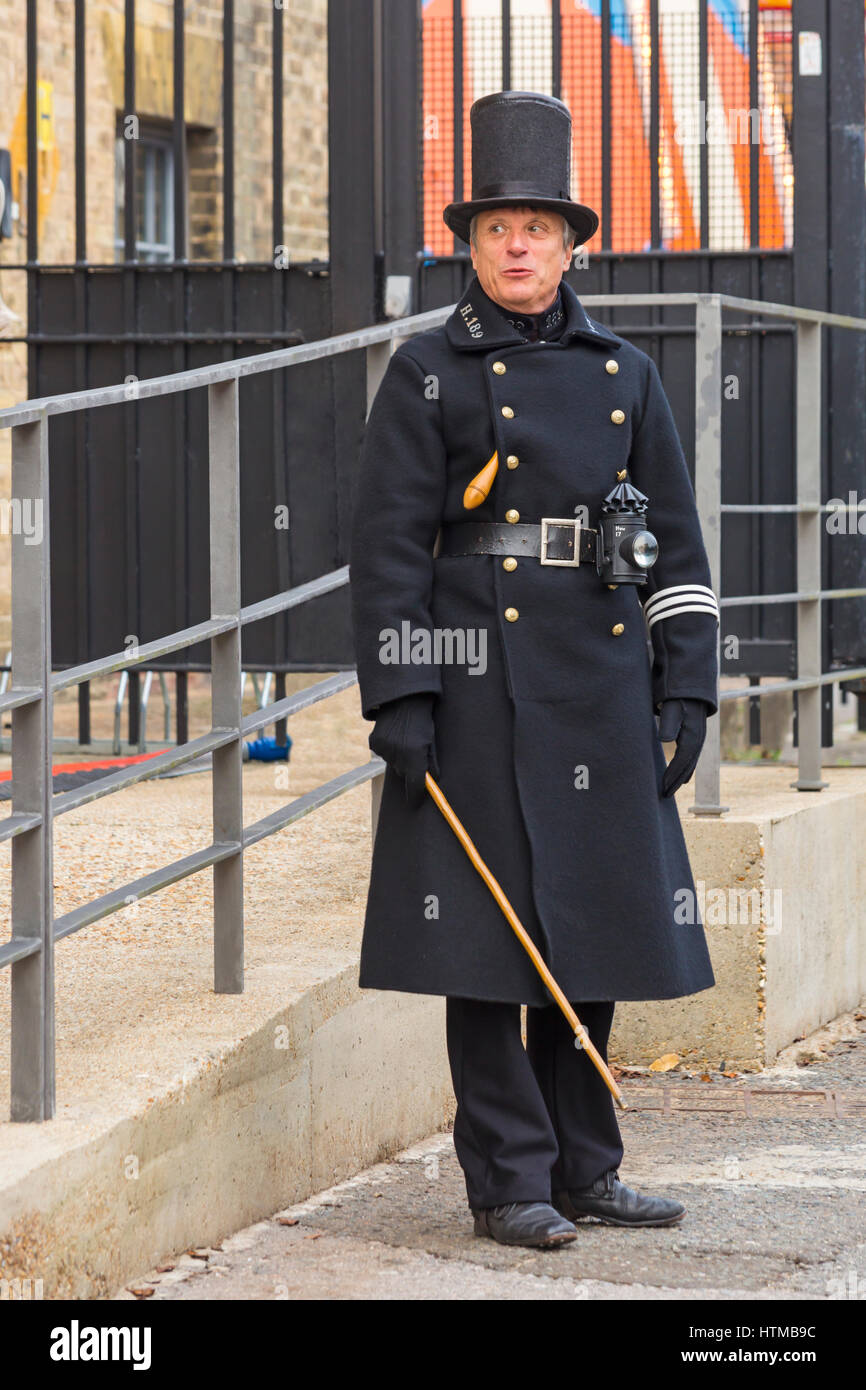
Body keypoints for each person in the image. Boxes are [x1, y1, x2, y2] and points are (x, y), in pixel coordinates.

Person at [349, 91, 720, 1249]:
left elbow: (674, 528)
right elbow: (388, 546)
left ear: (570, 246)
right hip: (472, 685)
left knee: (596, 921)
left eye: (539, 227)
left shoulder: (626, 370)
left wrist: (689, 680)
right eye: (497, 226)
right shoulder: (425, 371)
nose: (518, 245)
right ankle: (507, 1179)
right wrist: (402, 692)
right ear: (470, 243)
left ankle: (584, 1167)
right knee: (483, 935)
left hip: (598, 678)